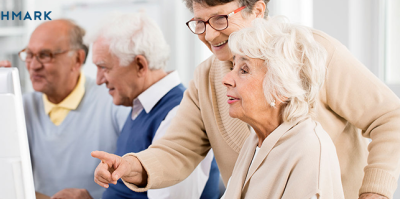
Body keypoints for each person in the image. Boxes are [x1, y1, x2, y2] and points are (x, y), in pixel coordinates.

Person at [91, 1, 400, 199]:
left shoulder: (311, 53)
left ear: (258, 10)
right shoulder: (206, 78)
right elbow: (178, 149)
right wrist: (131, 165)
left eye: (220, 18)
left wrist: (374, 193)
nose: (210, 35)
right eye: (199, 22)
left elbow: (390, 117)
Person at [66, 12, 218, 199]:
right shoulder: (140, 108)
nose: (98, 80)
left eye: (104, 67)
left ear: (140, 65)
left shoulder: (178, 113)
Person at [0, 19, 130, 199]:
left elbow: (137, 182)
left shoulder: (114, 101)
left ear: (77, 59)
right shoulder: (20, 106)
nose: (33, 66)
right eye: (29, 55)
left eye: (45, 55)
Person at [220, 16, 344, 198]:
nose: (226, 79)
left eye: (244, 70)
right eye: (233, 66)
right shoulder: (256, 140)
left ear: (281, 88)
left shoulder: (308, 150)